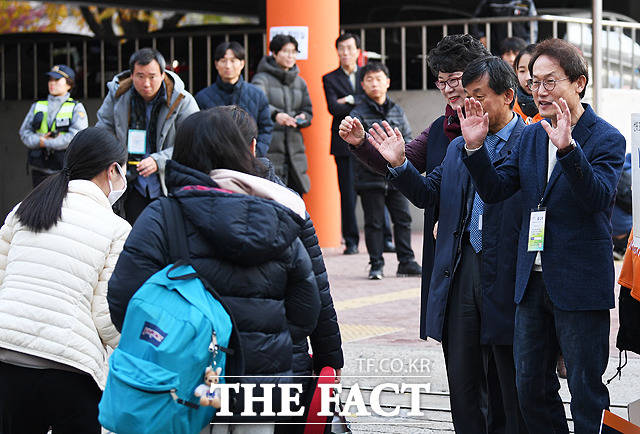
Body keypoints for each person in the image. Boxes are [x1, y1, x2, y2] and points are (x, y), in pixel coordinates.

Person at [344, 56, 528, 433]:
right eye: (466, 97)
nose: (469, 105)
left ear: (508, 96)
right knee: (462, 382)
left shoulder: (530, 142)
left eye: (480, 96)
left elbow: (499, 192)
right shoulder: (460, 145)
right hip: (461, 270)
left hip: (506, 273)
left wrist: (477, 148)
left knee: (506, 385)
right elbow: (429, 193)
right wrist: (398, 165)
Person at [107, 108, 321, 432]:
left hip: (186, 381)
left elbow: (125, 298)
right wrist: (263, 340)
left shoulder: (162, 216)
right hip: (261, 386)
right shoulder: (280, 215)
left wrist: (165, 341)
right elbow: (307, 310)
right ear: (243, 150)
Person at [461, 38, 625, 434]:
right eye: (534, 83)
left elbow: (598, 198)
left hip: (579, 283)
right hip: (530, 283)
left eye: (550, 82)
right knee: (529, 385)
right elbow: (498, 190)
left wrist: (568, 150)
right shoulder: (532, 136)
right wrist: (475, 147)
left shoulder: (606, 138)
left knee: (585, 389)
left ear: (579, 83)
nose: (540, 92)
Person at [347, 33, 489, 337]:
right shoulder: (440, 128)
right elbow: (404, 163)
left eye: (455, 79)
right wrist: (362, 145)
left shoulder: (502, 124)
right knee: (455, 337)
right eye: (441, 81)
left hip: (488, 248)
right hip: (447, 245)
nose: (449, 89)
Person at [0, 127, 130, 433]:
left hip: (7, 356)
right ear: (113, 170)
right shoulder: (115, 228)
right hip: (70, 366)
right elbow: (105, 315)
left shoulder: (24, 209)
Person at [222, 105, 343, 434]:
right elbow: (317, 288)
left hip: (218, 365)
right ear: (253, 145)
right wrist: (330, 360)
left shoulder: (188, 206)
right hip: (288, 361)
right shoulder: (290, 202)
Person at [95, 47, 199, 224]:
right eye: (140, 76)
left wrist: (159, 161)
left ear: (163, 74)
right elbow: (103, 131)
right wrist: (116, 159)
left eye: (152, 76)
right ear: (131, 75)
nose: (146, 83)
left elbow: (194, 141)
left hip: (169, 184)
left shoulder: (181, 99)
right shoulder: (118, 95)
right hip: (129, 182)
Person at [348, 62, 421, 280]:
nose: (375, 84)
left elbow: (408, 139)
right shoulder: (357, 113)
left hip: (397, 176)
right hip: (370, 177)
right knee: (375, 222)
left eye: (379, 79)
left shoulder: (396, 110)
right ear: (362, 84)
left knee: (403, 219)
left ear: (387, 83)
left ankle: (406, 262)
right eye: (369, 80)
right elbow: (356, 146)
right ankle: (376, 265)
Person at [252, 34, 313, 196]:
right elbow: (259, 103)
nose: (290, 56)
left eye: (293, 52)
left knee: (297, 201)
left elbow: (308, 111)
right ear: (274, 53)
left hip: (295, 151)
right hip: (271, 149)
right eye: (285, 51)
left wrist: (303, 118)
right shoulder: (261, 78)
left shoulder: (300, 82)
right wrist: (276, 115)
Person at [195, 41, 273, 157]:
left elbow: (266, 128)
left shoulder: (257, 95)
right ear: (216, 64)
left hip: (250, 160)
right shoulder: (202, 97)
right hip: (215, 162)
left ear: (242, 63)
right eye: (223, 60)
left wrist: (256, 153)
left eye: (233, 60)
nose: (228, 65)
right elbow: (198, 132)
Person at [19, 64, 89, 187]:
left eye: (57, 80)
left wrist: (47, 143)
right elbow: (24, 133)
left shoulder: (76, 107)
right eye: (50, 80)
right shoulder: (38, 105)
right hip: (39, 170)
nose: (52, 83)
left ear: (69, 84)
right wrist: (38, 141)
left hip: (64, 170)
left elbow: (77, 137)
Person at [472, 0, 538, 55]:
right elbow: (477, 21)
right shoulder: (489, 2)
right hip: (495, 45)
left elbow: (533, 28)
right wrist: (481, 36)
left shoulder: (526, 2)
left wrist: (528, 46)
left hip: (520, 45)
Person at [513, 44, 543, 125]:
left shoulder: (555, 107)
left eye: (533, 70)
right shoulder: (508, 106)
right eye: (522, 71)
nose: (528, 77)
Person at [612, 153, 632, 260]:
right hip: (626, 233)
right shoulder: (633, 175)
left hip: (608, 231)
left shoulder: (611, 170)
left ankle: (619, 249)